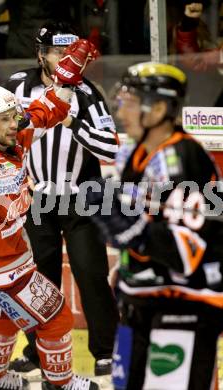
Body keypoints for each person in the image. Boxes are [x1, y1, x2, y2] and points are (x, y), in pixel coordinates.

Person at [0, 39, 101, 390]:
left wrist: (67, 77)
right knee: (55, 316)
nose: (15, 124)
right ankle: (60, 383)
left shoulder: (14, 138)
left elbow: (46, 109)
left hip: (6, 258)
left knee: (5, 317)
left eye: (14, 116)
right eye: (4, 119)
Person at [87, 62, 223, 390]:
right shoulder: (131, 154)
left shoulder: (185, 157)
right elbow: (135, 227)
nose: (121, 111)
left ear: (159, 108)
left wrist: (135, 232)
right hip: (141, 301)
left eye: (130, 102)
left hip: (186, 303)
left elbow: (186, 252)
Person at [5, 21, 120, 379]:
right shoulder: (16, 86)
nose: (66, 58)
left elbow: (110, 147)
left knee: (91, 276)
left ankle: (106, 352)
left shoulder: (87, 92)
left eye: (70, 52)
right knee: (39, 282)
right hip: (37, 198)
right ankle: (38, 353)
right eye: (58, 51)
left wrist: (72, 122)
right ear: (41, 54)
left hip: (81, 196)